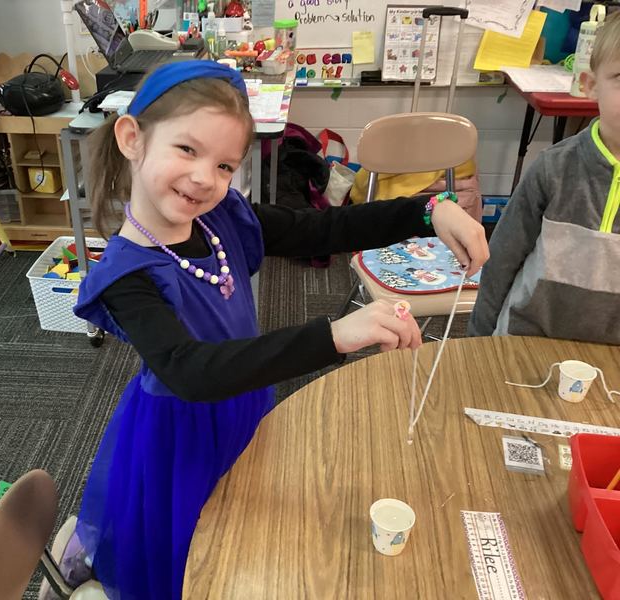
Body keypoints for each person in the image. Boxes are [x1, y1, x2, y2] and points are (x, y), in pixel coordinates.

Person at [51, 60, 488, 600]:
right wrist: (335, 335)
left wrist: (430, 210)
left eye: (226, 165)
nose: (204, 178)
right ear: (131, 137)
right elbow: (191, 372)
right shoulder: (126, 273)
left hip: (244, 402)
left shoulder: (220, 219)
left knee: (242, 524)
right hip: (180, 435)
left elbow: (324, 226)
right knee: (183, 550)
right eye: (186, 149)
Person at [468, 12, 620, 344]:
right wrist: (478, 341)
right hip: (526, 339)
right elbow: (502, 260)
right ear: (589, 86)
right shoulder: (553, 169)